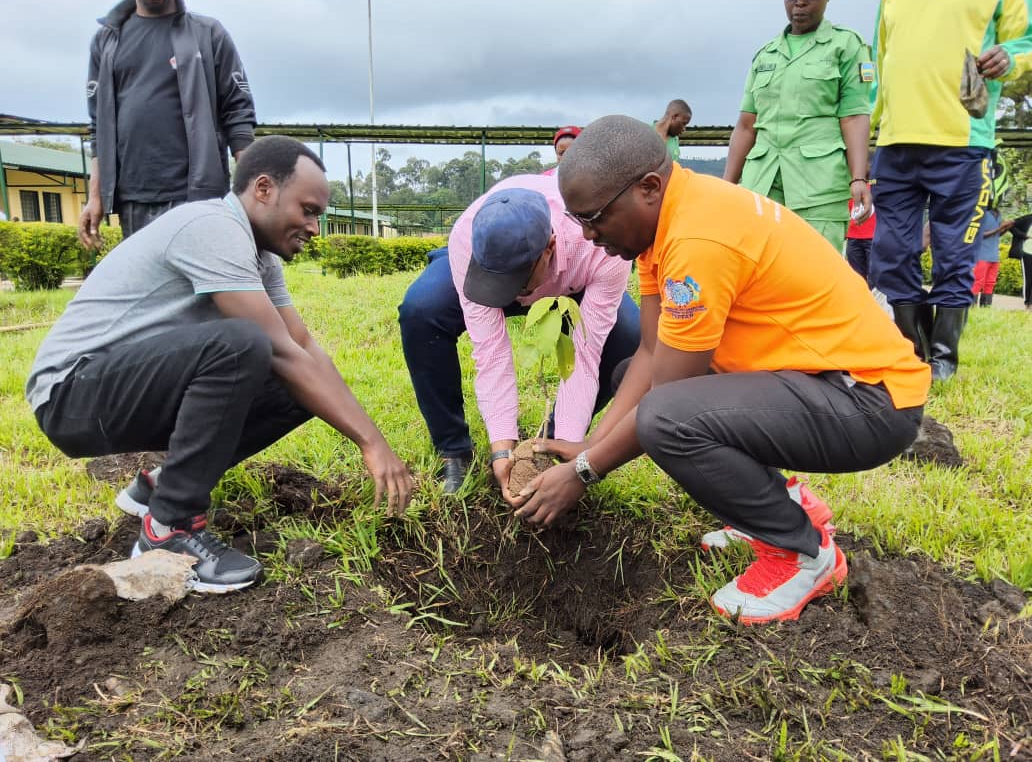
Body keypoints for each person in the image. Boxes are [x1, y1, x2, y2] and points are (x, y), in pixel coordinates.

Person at [515, 116, 929, 625]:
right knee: (633, 377)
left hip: (869, 401)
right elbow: (650, 352)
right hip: (821, 382)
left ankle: (801, 554)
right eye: (577, 220)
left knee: (665, 417)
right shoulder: (664, 223)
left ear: (648, 188)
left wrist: (585, 471)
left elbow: (668, 398)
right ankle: (785, 505)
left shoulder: (696, 242)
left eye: (595, 217)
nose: (588, 235)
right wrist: (591, 443)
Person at [27, 137, 413, 593]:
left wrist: (377, 440)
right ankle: (169, 528)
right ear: (264, 188)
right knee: (245, 344)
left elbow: (303, 344)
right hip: (72, 393)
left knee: (300, 388)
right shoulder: (211, 227)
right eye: (307, 210)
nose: (313, 226)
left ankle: (161, 487)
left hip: (121, 388)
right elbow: (280, 349)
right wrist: (370, 444)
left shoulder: (259, 254)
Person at [398, 174, 640, 496]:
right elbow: (491, 351)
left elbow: (584, 355)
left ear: (549, 248)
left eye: (515, 284)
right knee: (421, 311)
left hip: (573, 279)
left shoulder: (599, 244)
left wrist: (568, 463)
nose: (507, 295)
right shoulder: (467, 237)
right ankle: (453, 450)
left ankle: (551, 445)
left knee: (629, 334)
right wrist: (501, 449)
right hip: (488, 261)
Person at [869, 0, 1032, 380]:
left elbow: (1027, 40)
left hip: (962, 143)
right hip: (894, 143)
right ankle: (910, 351)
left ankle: (943, 359)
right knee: (891, 253)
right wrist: (870, 133)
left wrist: (1010, 57)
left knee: (954, 255)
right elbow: (880, 61)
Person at [78, 0, 256, 247]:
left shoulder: (207, 34)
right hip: (133, 201)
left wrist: (253, 194)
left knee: (201, 285)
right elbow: (98, 127)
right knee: (147, 285)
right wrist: (95, 197)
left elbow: (238, 115)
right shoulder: (106, 41)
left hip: (197, 197)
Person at [723, 0, 872, 253]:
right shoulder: (765, 55)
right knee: (756, 275)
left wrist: (858, 178)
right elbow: (746, 125)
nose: (800, 3)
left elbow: (854, 116)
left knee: (816, 275)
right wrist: (726, 187)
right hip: (762, 185)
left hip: (818, 187)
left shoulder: (847, 46)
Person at [972, 208, 1013, 307]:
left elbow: (997, 235)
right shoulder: (980, 213)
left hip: (994, 256)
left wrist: (1007, 228)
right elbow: (979, 235)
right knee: (978, 281)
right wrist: (999, 228)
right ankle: (971, 306)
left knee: (990, 282)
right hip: (982, 255)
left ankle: (986, 307)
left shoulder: (998, 214)